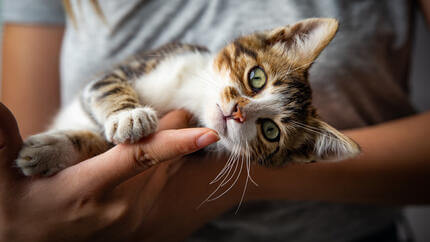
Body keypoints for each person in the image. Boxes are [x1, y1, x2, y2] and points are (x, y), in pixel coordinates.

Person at [1, 0, 430, 241]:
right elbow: (27, 155)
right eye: (256, 78)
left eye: (268, 128)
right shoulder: (182, 66)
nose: (242, 110)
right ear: (284, 38)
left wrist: (201, 192)